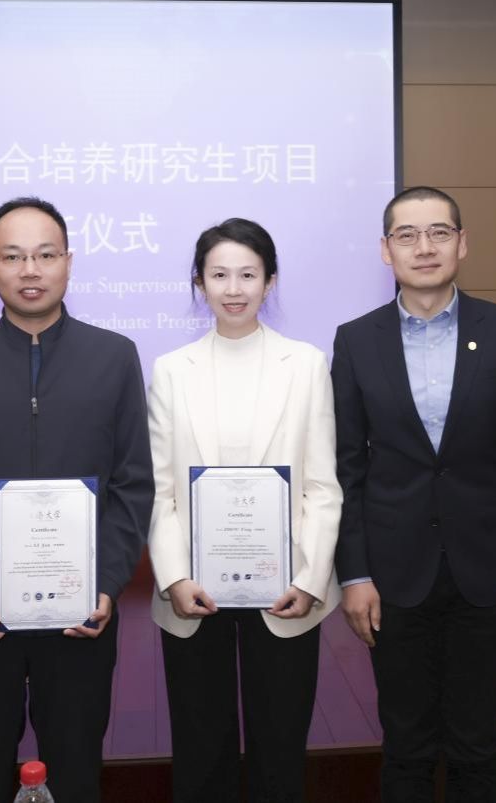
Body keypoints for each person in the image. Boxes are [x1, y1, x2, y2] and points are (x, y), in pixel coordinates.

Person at [0, 196, 154, 803]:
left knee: (76, 772)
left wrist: (106, 584)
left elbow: (132, 483)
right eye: (12, 257)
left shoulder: (114, 356)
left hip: (80, 616)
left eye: (45, 254)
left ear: (69, 261)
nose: (30, 270)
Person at [331, 187, 496, 803]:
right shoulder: (356, 340)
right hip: (393, 576)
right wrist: (355, 574)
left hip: (487, 573)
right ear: (386, 250)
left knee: (476, 742)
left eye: (438, 232)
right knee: (405, 744)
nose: (423, 247)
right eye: (406, 235)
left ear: (462, 243)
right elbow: (347, 468)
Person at [147, 218, 342, 803]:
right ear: (199, 283)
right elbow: (160, 490)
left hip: (286, 587)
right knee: (200, 746)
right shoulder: (170, 370)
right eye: (219, 275)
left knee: (280, 746)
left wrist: (309, 578)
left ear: (270, 281)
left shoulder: (305, 364)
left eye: (248, 275)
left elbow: (322, 485)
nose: (234, 289)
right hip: (193, 589)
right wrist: (174, 577)